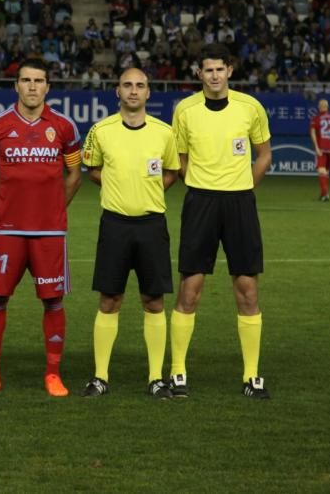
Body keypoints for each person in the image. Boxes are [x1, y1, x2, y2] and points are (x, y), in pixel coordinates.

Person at [0, 58, 83, 397]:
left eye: (39, 81)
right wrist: (3, 202)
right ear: (16, 86)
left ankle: (53, 374)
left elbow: (75, 173)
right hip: (7, 230)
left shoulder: (64, 127)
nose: (32, 86)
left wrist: (54, 207)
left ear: (48, 87)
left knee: (53, 301)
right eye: (26, 80)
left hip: (49, 232)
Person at [170, 44, 273, 400]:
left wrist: (244, 187)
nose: (214, 76)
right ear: (199, 74)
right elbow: (179, 159)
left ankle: (252, 376)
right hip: (200, 201)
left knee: (247, 289)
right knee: (190, 289)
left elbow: (264, 154)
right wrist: (203, 186)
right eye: (207, 70)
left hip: (240, 203)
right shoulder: (184, 110)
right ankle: (178, 372)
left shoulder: (251, 108)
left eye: (220, 69)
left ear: (230, 70)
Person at [81, 68, 180, 399]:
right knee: (109, 299)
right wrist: (117, 186)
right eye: (128, 85)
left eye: (140, 86)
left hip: (152, 225)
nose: (134, 91)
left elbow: (172, 171)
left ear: (149, 93)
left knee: (153, 300)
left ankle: (156, 378)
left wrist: (148, 190)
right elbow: (92, 169)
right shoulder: (101, 131)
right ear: (117, 91)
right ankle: (100, 377)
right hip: (115, 224)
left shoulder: (165, 133)